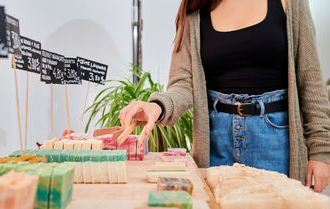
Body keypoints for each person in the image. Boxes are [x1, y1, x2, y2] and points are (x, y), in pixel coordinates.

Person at [119, 0, 330, 192]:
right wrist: (158, 106)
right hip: (216, 142)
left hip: (276, 142)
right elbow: (183, 83)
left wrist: (321, 151)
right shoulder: (194, 7)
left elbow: (310, 80)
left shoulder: (291, 3)